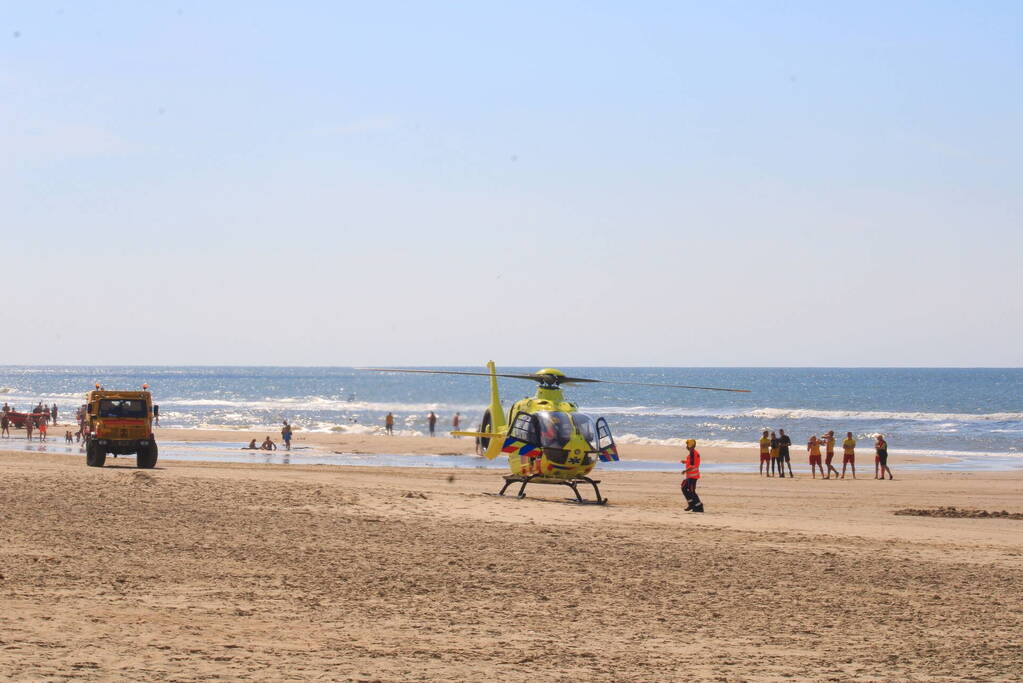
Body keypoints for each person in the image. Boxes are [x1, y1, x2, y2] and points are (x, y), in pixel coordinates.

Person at [681, 439, 703, 512]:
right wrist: (685, 462)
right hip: (690, 476)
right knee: (684, 488)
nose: (686, 446)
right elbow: (692, 462)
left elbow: (693, 465)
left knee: (692, 491)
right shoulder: (692, 453)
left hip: (693, 477)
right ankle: (691, 504)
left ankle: (699, 507)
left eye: (687, 445)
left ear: (690, 445)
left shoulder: (693, 453)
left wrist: (685, 471)